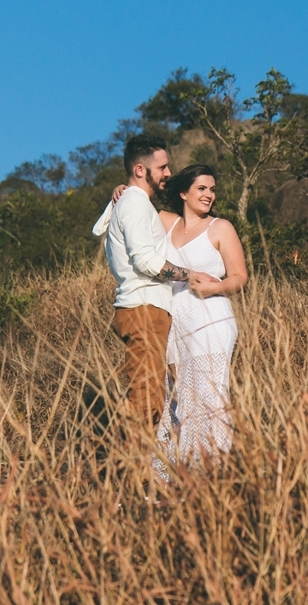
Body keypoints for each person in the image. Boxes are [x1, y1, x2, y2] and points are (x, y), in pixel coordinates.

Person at [110, 164, 248, 470]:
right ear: (183, 193)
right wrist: (119, 191)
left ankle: (210, 473)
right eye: (201, 188)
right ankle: (172, 478)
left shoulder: (220, 227)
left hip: (211, 318)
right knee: (177, 398)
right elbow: (133, 207)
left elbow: (240, 277)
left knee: (210, 397)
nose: (209, 195)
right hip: (176, 321)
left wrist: (213, 287)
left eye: (212, 189)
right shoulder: (165, 222)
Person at [93, 135, 219, 450]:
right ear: (140, 169)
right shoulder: (134, 203)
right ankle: (123, 480)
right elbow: (146, 261)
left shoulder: (134, 203)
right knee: (146, 401)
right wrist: (190, 274)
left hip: (146, 311)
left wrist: (117, 197)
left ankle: (132, 477)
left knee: (149, 399)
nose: (167, 172)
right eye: (162, 167)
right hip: (143, 310)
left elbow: (100, 228)